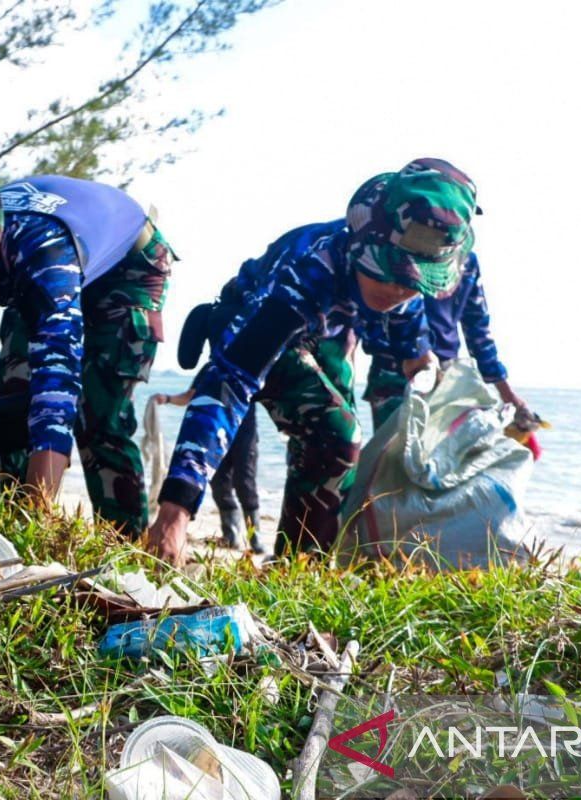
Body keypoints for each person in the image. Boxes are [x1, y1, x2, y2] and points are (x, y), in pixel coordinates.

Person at [146, 158, 479, 565]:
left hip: (331, 337)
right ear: (362, 247)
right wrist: (175, 511)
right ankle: (292, 566)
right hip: (255, 322)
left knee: (345, 458)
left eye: (413, 284)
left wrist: (445, 418)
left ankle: (302, 566)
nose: (399, 290)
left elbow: (416, 360)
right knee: (338, 432)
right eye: (390, 275)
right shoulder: (308, 273)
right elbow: (229, 383)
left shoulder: (404, 296)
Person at [0, 168, 175, 538]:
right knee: (11, 403)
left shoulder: (42, 253)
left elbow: (57, 377)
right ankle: (8, 526)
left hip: (127, 266)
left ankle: (123, 545)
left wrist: (40, 521)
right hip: (39, 269)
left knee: (97, 414)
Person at [360, 252, 526, 430]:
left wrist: (508, 395)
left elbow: (477, 328)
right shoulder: (394, 250)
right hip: (393, 372)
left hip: (444, 378)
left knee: (438, 453)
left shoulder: (467, 261)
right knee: (393, 452)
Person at [153, 389, 268, 553]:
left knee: (245, 484)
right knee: (220, 486)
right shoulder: (211, 371)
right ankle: (231, 536)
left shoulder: (243, 368)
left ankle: (256, 539)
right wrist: (167, 397)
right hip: (216, 439)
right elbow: (189, 396)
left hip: (244, 438)